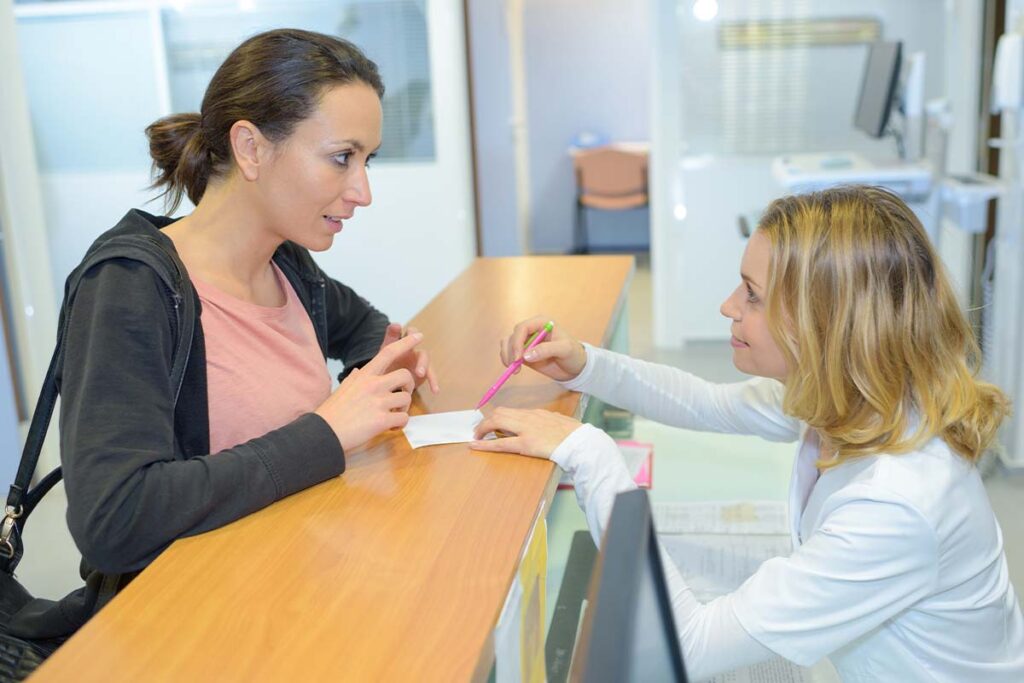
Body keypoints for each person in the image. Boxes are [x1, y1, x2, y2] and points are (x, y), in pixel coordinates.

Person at [471, 186, 1024, 681]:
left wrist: (586, 450)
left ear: (825, 323)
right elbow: (703, 401)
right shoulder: (854, 399)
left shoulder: (897, 504)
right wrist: (585, 364)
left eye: (753, 295)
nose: (728, 307)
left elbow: (688, 647)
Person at [59, 29, 438, 586]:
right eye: (341, 158)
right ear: (251, 148)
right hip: (191, 618)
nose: (362, 191)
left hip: (295, 581)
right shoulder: (131, 287)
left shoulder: (287, 263)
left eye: (367, 161)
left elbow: (364, 326)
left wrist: (382, 369)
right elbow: (114, 519)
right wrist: (327, 434)